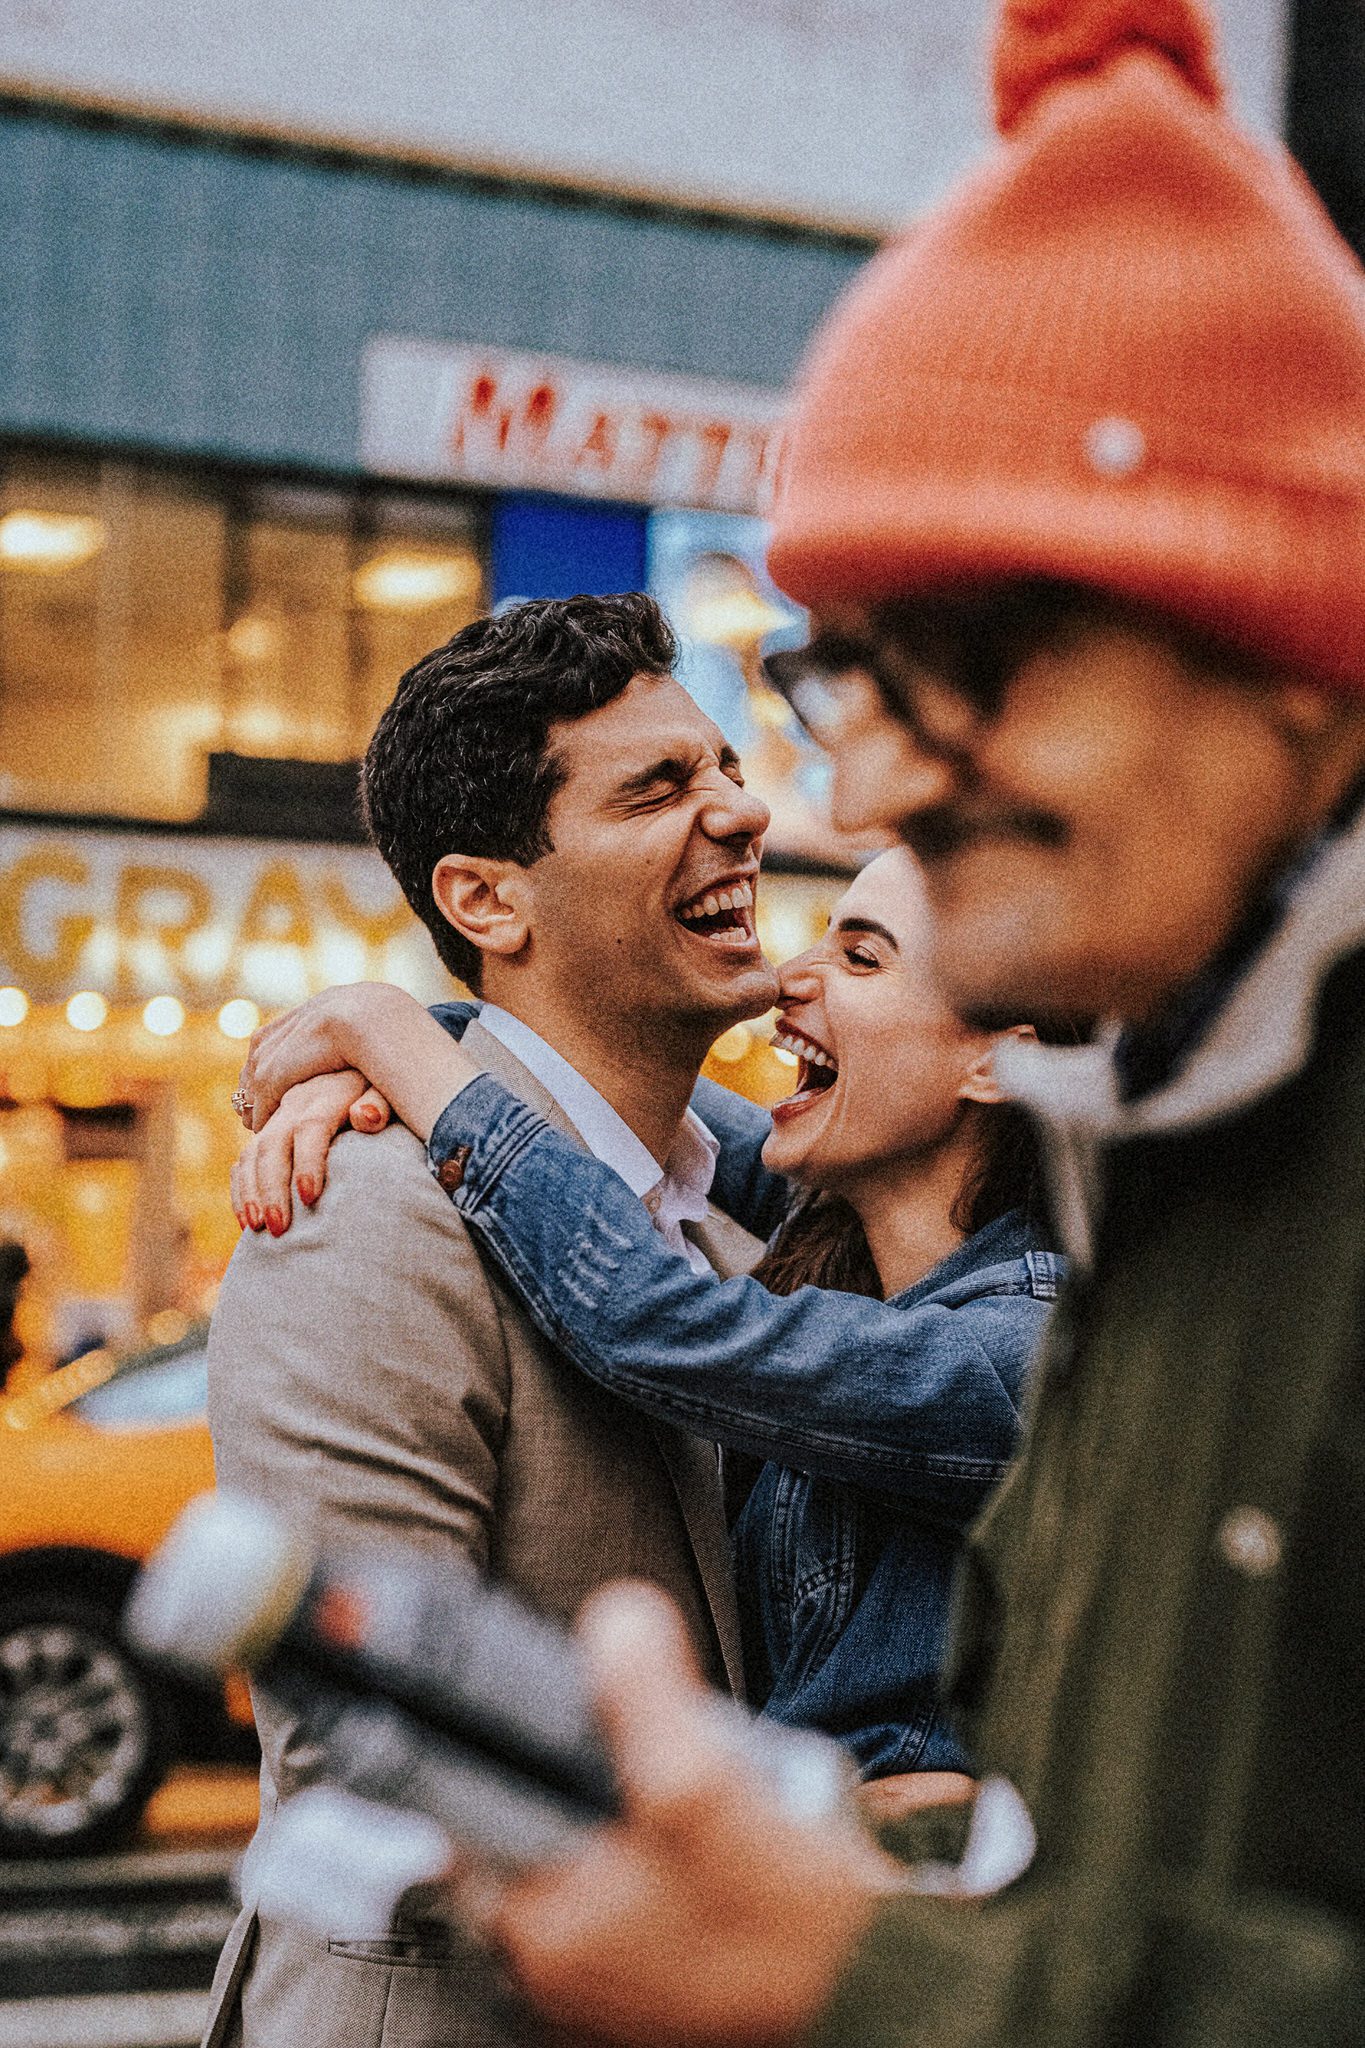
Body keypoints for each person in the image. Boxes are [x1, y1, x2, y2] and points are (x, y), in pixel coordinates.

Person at [238, 0, 1365, 2041]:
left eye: (977, 664)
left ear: (1283, 639)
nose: (857, 797)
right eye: (857, 672)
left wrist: (870, 1963)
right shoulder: (1164, 1166)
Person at [203, 592, 779, 2048]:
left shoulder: (740, 1214)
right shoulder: (369, 1212)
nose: (741, 812)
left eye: (722, 767)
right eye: (659, 788)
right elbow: (366, 1731)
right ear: (485, 900)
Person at [233, 847, 1064, 1811]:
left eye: (863, 958)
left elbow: (646, 1315)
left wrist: (396, 1044)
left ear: (1002, 1060)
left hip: (898, 1914)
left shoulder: (1023, 1349)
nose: (794, 976)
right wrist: (399, 1040)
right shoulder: (831, 1216)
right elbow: (592, 1086)